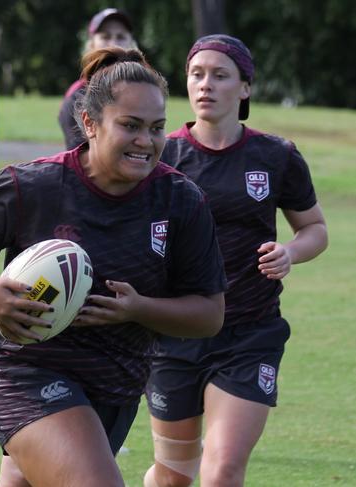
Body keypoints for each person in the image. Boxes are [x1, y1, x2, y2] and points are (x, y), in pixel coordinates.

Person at [0, 47, 227, 487]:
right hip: (26, 372)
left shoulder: (180, 200)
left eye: (157, 128)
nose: (146, 140)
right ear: (89, 124)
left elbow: (209, 314)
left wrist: (138, 309)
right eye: (130, 125)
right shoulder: (33, 185)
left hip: (115, 388)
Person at [142, 34, 328, 487]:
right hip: (174, 335)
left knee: (221, 468)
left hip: (250, 334)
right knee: (173, 476)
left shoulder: (276, 155)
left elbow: (315, 230)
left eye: (220, 75)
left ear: (244, 88)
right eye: (196, 74)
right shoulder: (160, 154)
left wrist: (290, 252)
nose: (205, 84)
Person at [58, 8, 138, 150]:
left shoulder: (144, 89)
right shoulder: (78, 96)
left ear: (131, 43)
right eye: (105, 36)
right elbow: (80, 156)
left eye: (120, 36)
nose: (113, 42)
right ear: (91, 43)